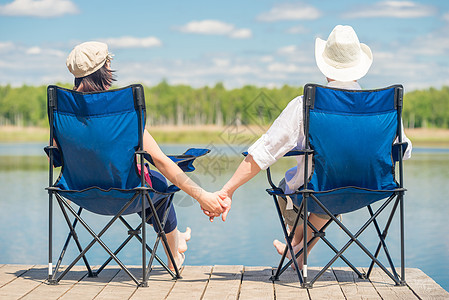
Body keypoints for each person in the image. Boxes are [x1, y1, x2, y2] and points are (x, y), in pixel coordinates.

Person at [206, 25, 413, 270]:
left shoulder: (307, 104)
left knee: (300, 187)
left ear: (325, 67)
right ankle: (299, 251)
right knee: (332, 189)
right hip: (373, 191)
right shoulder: (384, 108)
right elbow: (405, 150)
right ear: (359, 67)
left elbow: (266, 151)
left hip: (318, 193)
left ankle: (295, 246)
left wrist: (227, 190)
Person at [65, 41, 226, 270]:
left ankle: (177, 238)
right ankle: (173, 257)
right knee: (157, 185)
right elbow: (160, 160)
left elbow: (56, 158)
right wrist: (203, 197)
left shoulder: (62, 111)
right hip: (126, 195)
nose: (111, 69)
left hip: (79, 195)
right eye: (109, 63)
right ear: (103, 69)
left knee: (147, 185)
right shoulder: (120, 112)